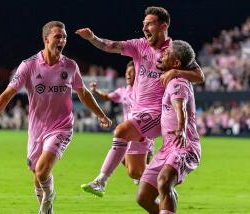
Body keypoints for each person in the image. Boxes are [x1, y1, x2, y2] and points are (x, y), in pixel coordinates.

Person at [0, 21, 112, 214]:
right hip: (36, 129)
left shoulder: (70, 66)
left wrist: (101, 115)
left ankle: (49, 198)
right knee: (37, 176)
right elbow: (8, 94)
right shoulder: (28, 66)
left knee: (42, 171)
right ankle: (48, 209)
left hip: (62, 127)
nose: (62, 40)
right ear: (46, 39)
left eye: (64, 37)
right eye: (58, 36)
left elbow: (83, 93)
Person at [76, 6, 204, 197]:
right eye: (143, 24)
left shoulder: (173, 51)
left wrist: (175, 71)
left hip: (155, 114)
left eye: (150, 24)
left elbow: (199, 76)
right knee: (134, 171)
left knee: (120, 130)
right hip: (138, 112)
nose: (145, 28)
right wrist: (93, 38)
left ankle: (100, 181)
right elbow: (110, 45)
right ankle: (165, 188)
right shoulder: (139, 45)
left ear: (163, 26)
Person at [137, 40, 201, 214]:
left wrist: (181, 128)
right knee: (143, 197)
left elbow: (180, 107)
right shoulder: (172, 77)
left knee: (164, 182)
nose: (163, 53)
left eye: (168, 53)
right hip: (168, 147)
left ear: (176, 63)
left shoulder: (177, 82)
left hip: (183, 145)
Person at [89, 61, 154, 184]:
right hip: (126, 132)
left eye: (132, 72)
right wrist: (95, 92)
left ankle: (156, 180)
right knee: (125, 161)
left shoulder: (144, 92)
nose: (128, 75)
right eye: (127, 72)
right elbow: (106, 97)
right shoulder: (122, 91)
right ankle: (149, 179)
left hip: (140, 132)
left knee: (135, 168)